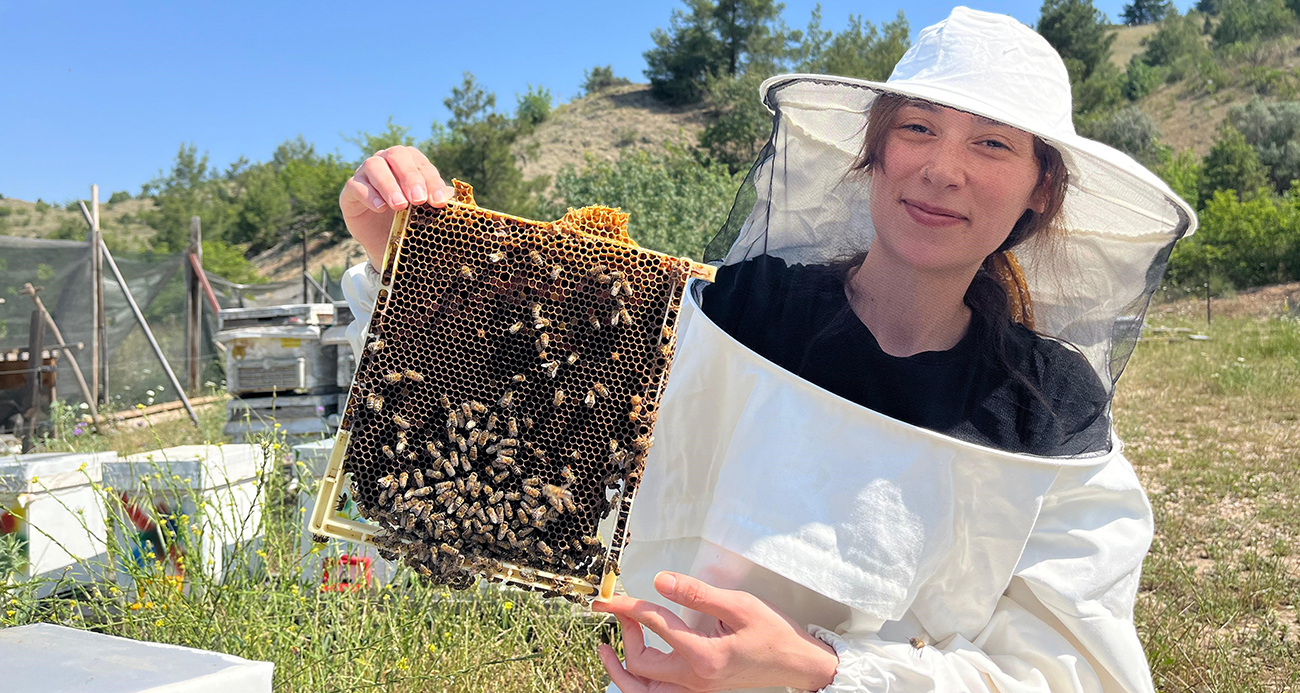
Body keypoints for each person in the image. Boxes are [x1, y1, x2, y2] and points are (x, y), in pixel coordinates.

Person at [337, 8, 1195, 692]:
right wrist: (410, 257)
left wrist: (820, 671)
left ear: (1041, 187)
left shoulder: (1054, 414)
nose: (942, 169)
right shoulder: (742, 313)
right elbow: (524, 395)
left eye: (992, 144)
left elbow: (1077, 672)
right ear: (875, 151)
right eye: (919, 129)